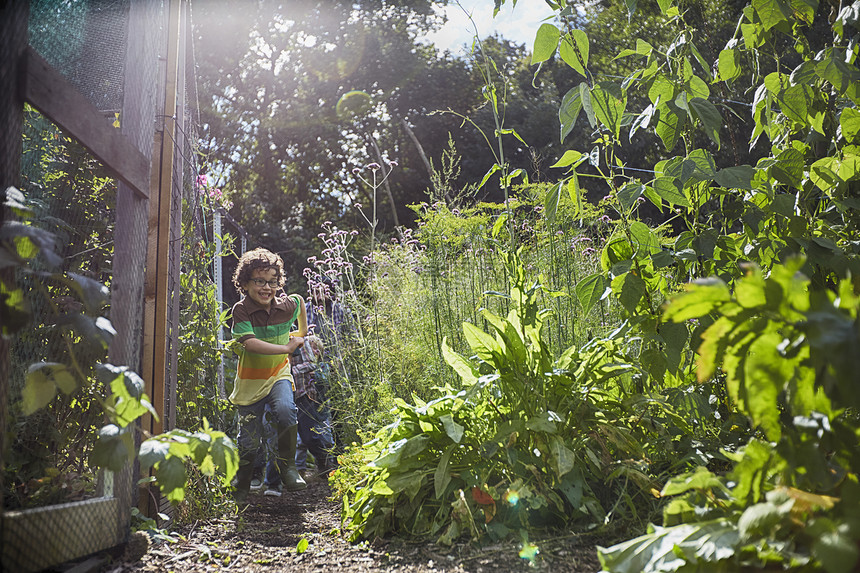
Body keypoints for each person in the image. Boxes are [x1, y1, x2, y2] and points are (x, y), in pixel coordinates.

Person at [229, 248, 308, 502]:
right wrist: (286, 346)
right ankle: (241, 484)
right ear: (244, 283)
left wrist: (299, 336)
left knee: (286, 410)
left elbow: (299, 303)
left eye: (272, 282)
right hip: (251, 382)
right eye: (259, 281)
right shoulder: (241, 311)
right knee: (250, 440)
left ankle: (288, 467)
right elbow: (250, 343)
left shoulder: (286, 306)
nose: (267, 288)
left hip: (278, 373)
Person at [291, 334, 335, 479]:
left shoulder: (320, 366)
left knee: (310, 436)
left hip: (306, 397)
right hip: (292, 396)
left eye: (317, 349)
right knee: (300, 438)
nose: (314, 351)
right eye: (313, 348)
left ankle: (325, 463)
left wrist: (294, 370)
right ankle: (299, 470)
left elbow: (312, 364)